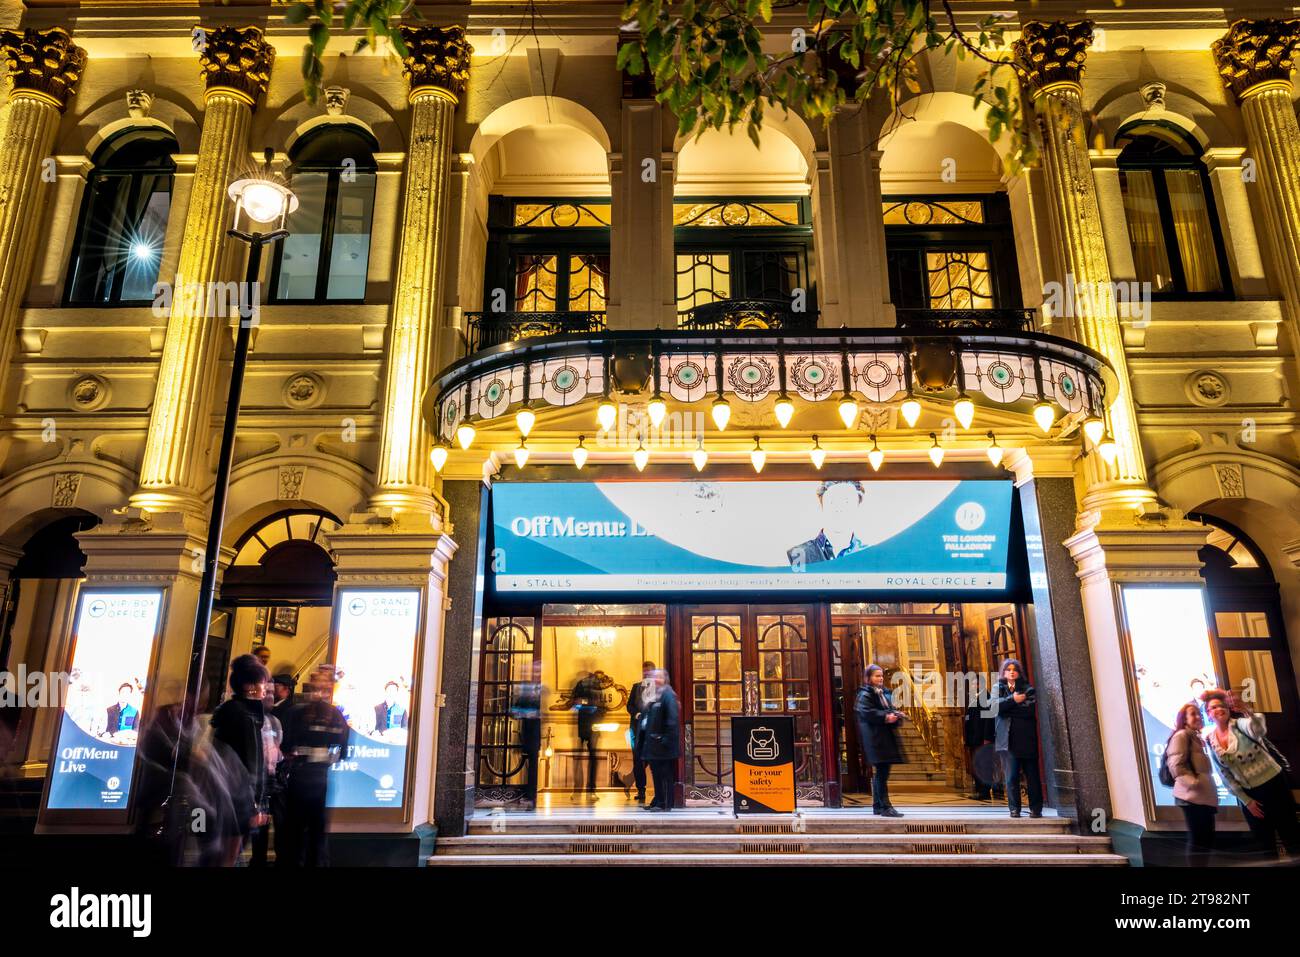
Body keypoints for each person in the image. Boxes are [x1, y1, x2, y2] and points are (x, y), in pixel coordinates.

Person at [1202, 688, 1300, 860]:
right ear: (1209, 714)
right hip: (1250, 796)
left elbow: (1258, 729)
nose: (1220, 709)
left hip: (1274, 785)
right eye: (1214, 707)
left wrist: (1247, 710)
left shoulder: (1240, 725)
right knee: (1264, 845)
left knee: (1291, 836)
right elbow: (1224, 774)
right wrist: (1247, 801)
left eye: (1222, 705)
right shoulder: (1211, 741)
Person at [209, 654, 278, 864]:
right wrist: (254, 806)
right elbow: (251, 763)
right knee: (228, 857)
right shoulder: (245, 717)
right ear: (250, 686)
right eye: (262, 683)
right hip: (237, 801)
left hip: (222, 796)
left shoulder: (229, 711)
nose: (265, 688)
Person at [280, 667, 350, 867]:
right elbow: (343, 751)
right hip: (319, 782)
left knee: (294, 834)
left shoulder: (296, 713)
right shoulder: (336, 716)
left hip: (299, 780)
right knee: (316, 835)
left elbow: (285, 746)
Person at [1165, 701, 1218, 866]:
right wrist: (1194, 783)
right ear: (1184, 719)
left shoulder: (1196, 738)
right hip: (1192, 798)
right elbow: (1175, 765)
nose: (1198, 716)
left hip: (1202, 798)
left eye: (1199, 713)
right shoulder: (1182, 736)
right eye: (1193, 713)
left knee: (1205, 840)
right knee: (1199, 841)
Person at [991, 658, 1043, 818]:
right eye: (1008, 669)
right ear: (1004, 672)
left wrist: (1006, 708)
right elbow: (994, 708)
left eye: (1015, 669)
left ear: (1019, 672)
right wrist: (1013, 700)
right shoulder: (997, 688)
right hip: (1007, 740)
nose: (1012, 672)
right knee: (1011, 776)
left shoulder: (1028, 690)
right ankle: (1014, 809)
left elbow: (1027, 712)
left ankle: (1036, 808)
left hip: (1026, 739)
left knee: (1032, 775)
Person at [854, 663, 906, 817]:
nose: (880, 678)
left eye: (881, 675)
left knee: (881, 773)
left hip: (883, 739)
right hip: (876, 740)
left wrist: (895, 715)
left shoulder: (883, 693)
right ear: (868, 678)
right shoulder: (865, 694)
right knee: (882, 774)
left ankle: (878, 806)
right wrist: (885, 717)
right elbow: (866, 713)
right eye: (877, 676)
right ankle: (886, 807)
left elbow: (885, 710)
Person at [787, 480, 869, 569]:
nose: (839, 509)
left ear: (858, 507)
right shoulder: (799, 554)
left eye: (846, 502)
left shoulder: (870, 555)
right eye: (832, 502)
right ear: (820, 507)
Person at [640, 669, 679, 811]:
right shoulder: (656, 694)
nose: (654, 679)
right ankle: (658, 801)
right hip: (654, 744)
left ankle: (664, 804)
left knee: (664, 775)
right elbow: (647, 714)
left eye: (657, 677)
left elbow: (672, 720)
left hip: (663, 746)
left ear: (664, 679)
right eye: (652, 677)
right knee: (656, 774)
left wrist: (664, 740)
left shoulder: (668, 694)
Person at [511, 661, 544, 807]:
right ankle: (528, 795)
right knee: (529, 764)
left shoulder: (543, 690)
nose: (537, 673)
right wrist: (527, 713)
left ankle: (531, 796)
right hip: (526, 731)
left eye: (539, 671)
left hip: (535, 732)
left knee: (532, 765)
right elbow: (514, 710)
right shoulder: (524, 689)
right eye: (535, 671)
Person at [626, 660, 655, 805]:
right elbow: (629, 705)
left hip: (652, 730)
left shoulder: (658, 689)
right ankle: (641, 790)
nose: (646, 673)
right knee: (638, 760)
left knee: (652, 759)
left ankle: (658, 792)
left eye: (648, 671)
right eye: (644, 671)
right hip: (637, 729)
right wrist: (636, 713)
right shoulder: (636, 687)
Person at [570, 669, 602, 796]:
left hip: (591, 726)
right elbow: (575, 702)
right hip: (585, 725)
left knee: (591, 758)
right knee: (582, 758)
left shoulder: (595, 687)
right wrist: (588, 703)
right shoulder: (581, 685)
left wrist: (584, 703)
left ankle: (589, 789)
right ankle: (580, 789)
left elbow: (598, 704)